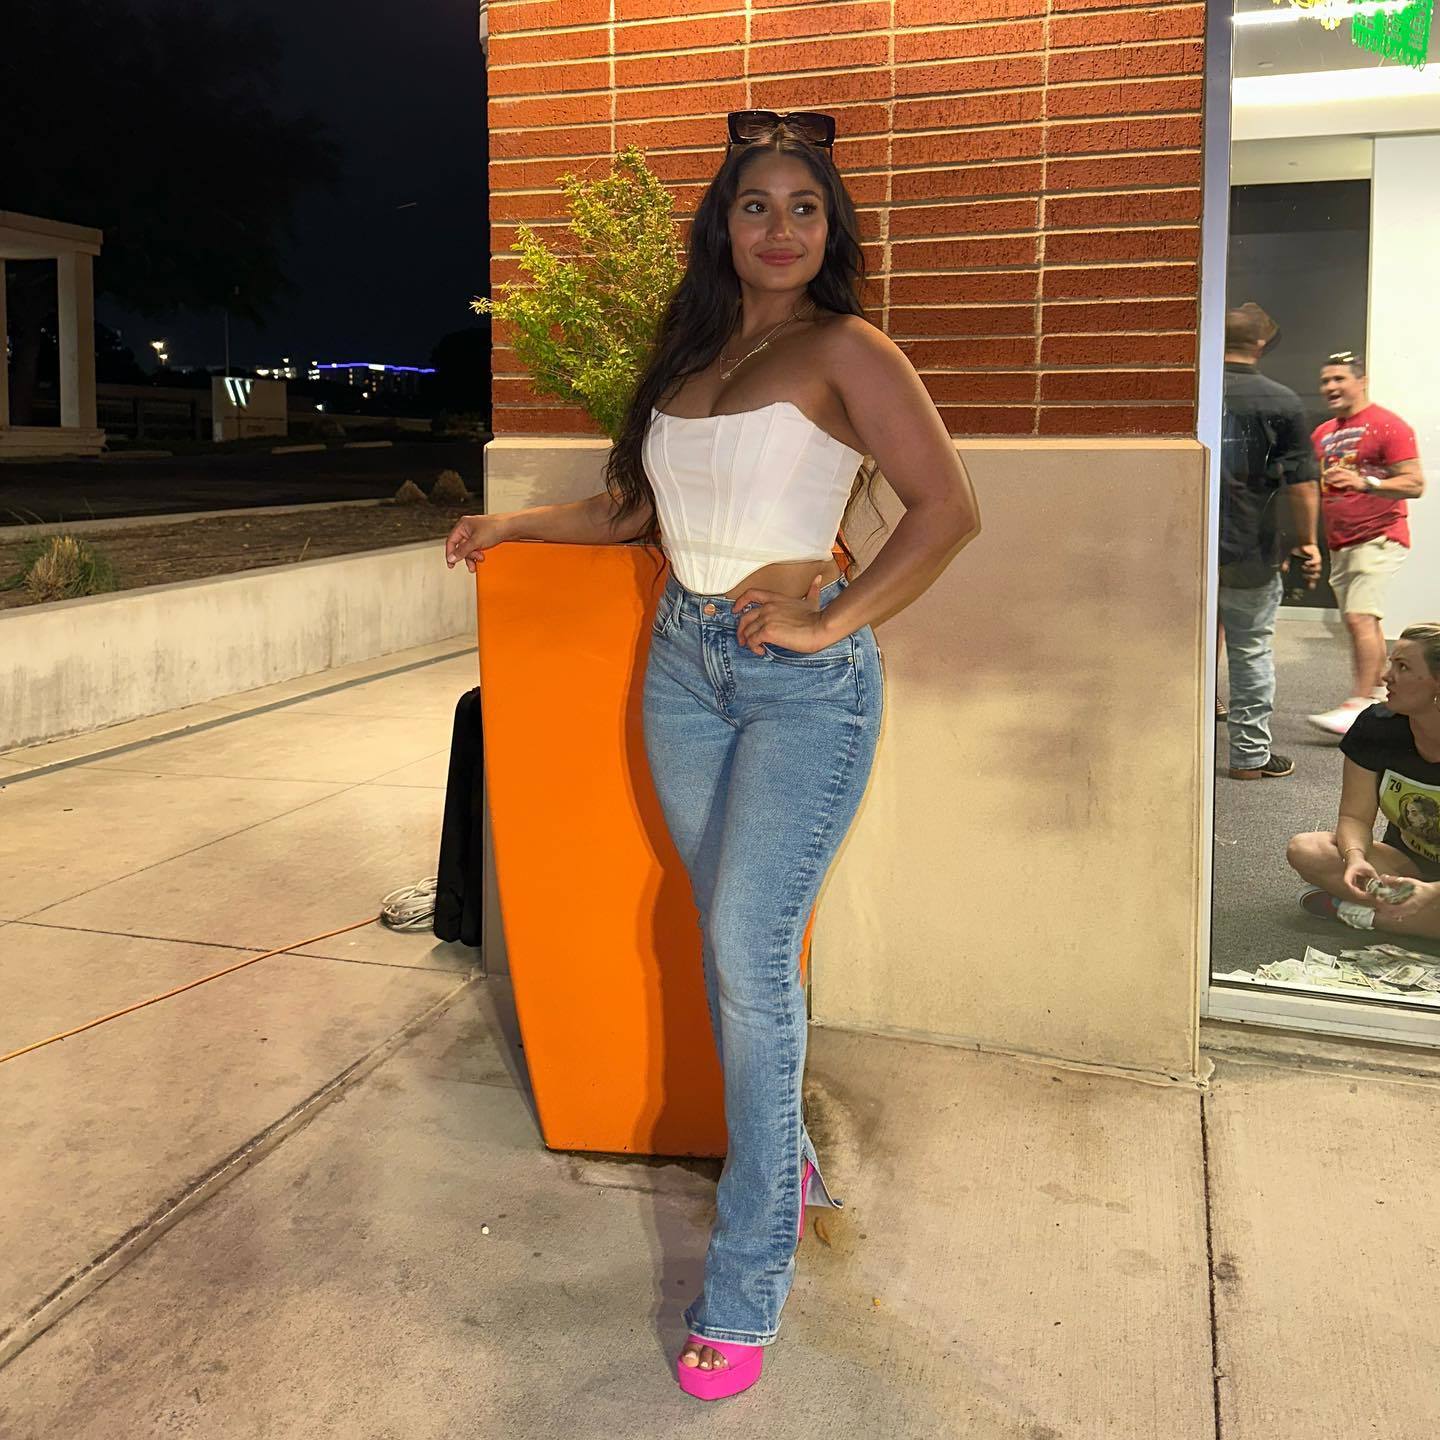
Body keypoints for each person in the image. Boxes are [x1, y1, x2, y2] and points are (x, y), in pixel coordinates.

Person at [444, 109, 980, 1400]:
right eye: (756, 205)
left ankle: (745, 1279)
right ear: (722, 227)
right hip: (683, 671)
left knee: (746, 954)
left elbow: (949, 509)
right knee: (733, 948)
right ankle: (784, 1154)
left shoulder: (850, 350)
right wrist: (511, 526)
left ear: (831, 229)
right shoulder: (690, 355)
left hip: (803, 690)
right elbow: (639, 508)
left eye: (805, 206)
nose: (780, 227)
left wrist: (831, 619)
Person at [1217, 307, 1321, 779]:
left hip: (1185, 545)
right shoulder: (1280, 399)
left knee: (1178, 645)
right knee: (1251, 649)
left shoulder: (1196, 392)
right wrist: (1308, 543)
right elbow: (1302, 485)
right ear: (1260, 344)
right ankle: (1249, 757)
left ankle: (1173, 746)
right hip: (1250, 548)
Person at [1287, 623, 1440, 941]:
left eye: (1403, 667)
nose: (1385, 677)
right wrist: (1355, 858)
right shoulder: (1376, 725)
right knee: (1307, 849)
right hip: (1405, 866)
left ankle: (1361, 914)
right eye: (1391, 664)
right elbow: (1354, 816)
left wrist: (1433, 893)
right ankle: (1417, 917)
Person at [1306, 352, 1426, 736]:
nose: (1330, 387)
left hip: (1379, 535)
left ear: (1362, 381)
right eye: (1325, 381)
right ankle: (1376, 698)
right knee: (1361, 620)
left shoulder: (1388, 425)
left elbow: (1415, 483)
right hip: (1341, 541)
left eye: (1339, 379)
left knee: (1360, 617)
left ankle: (1358, 702)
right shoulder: (1322, 433)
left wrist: (1366, 483)